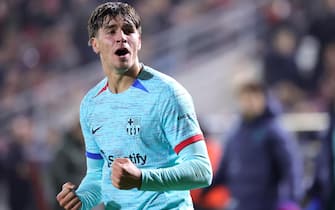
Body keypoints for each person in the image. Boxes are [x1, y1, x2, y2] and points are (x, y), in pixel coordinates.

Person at [56, 2, 212, 210]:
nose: (121, 37)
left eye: (129, 30)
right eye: (111, 31)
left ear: (138, 40)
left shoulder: (167, 93)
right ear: (95, 44)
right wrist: (81, 198)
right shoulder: (91, 104)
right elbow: (97, 175)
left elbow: (201, 171)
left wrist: (141, 179)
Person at [205, 73, 303, 210]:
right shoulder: (235, 133)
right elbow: (224, 169)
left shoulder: (274, 131)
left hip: (268, 204)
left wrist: (293, 199)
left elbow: (290, 167)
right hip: (241, 203)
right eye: (245, 97)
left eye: (254, 96)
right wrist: (204, 189)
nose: (250, 101)